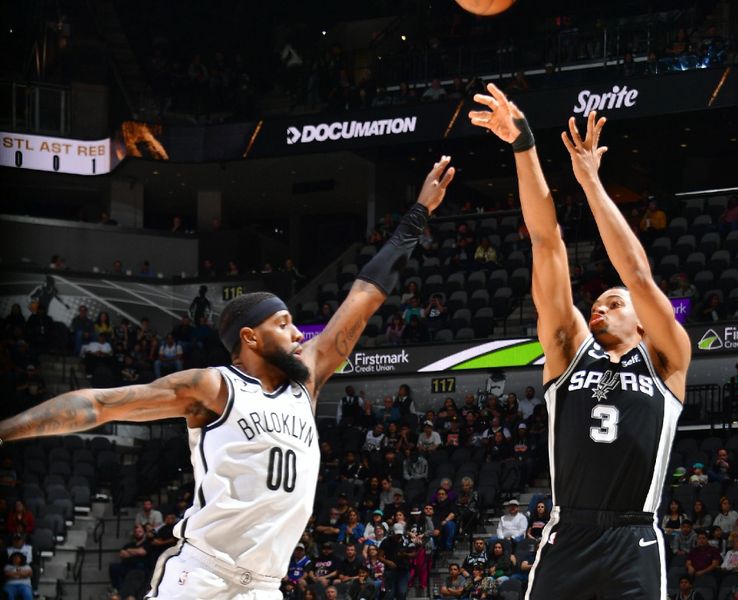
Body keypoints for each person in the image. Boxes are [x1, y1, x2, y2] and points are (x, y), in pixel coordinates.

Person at [0, 158, 455, 600]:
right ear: (249, 337)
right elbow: (100, 405)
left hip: (263, 586)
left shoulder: (307, 382)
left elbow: (365, 296)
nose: (299, 334)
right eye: (283, 323)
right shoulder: (213, 387)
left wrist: (416, 216)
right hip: (202, 577)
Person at [469, 84, 691, 598]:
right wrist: (524, 146)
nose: (601, 306)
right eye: (599, 302)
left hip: (634, 537)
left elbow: (636, 274)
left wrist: (590, 182)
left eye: (614, 303)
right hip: (567, 533)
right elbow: (546, 241)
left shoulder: (666, 358)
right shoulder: (570, 348)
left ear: (643, 321)